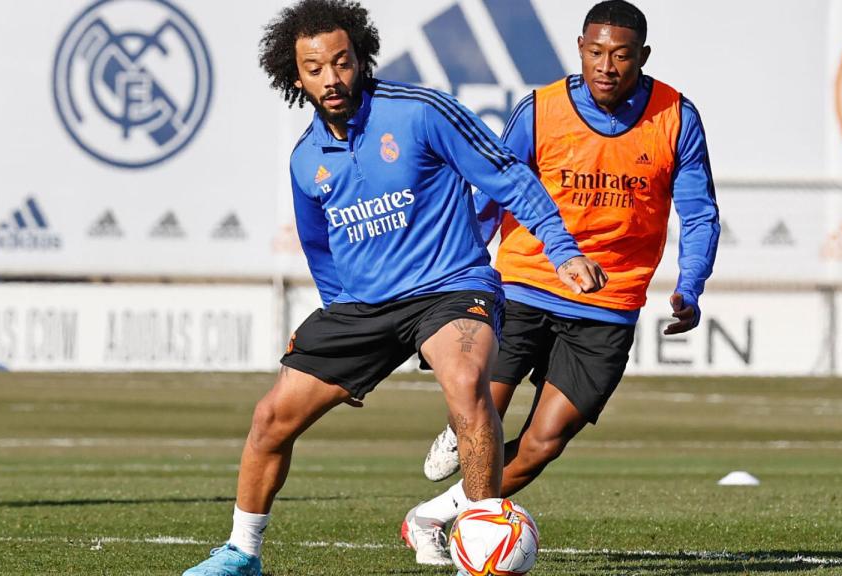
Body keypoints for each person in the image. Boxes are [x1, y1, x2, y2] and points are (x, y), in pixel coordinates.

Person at [181, 1, 607, 574]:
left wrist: (562, 249)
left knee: (466, 382)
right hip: (364, 309)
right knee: (269, 420)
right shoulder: (306, 160)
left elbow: (506, 174)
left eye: (342, 62)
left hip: (450, 286)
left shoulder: (421, 111)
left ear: (361, 57)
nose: (332, 78)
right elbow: (322, 252)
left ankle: (481, 543)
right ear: (294, 74)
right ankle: (241, 554)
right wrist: (346, 338)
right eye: (315, 68)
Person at [404, 0, 720, 564]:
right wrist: (459, 274)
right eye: (595, 52)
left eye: (621, 56)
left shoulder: (677, 117)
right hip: (524, 284)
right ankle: (460, 430)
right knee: (480, 411)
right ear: (579, 48)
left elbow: (698, 214)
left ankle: (435, 514)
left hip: (609, 305)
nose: (606, 65)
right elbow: (491, 190)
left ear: (642, 58)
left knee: (542, 444)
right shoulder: (540, 110)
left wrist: (689, 286)